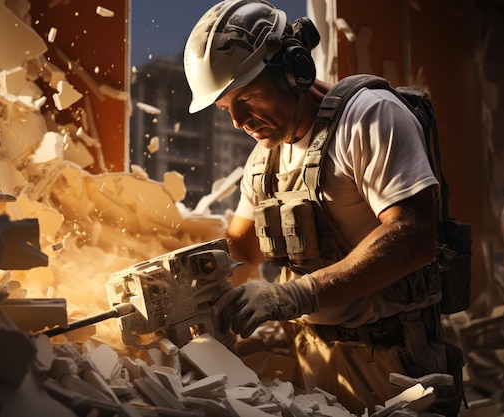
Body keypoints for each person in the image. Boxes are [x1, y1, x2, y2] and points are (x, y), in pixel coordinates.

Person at [183, 1, 465, 415]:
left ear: (291, 68)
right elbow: (241, 250)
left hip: (393, 365)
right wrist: (184, 294)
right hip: (312, 359)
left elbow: (413, 234)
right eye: (227, 109)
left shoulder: (369, 117)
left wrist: (297, 293)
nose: (239, 121)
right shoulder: (264, 160)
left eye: (247, 98)